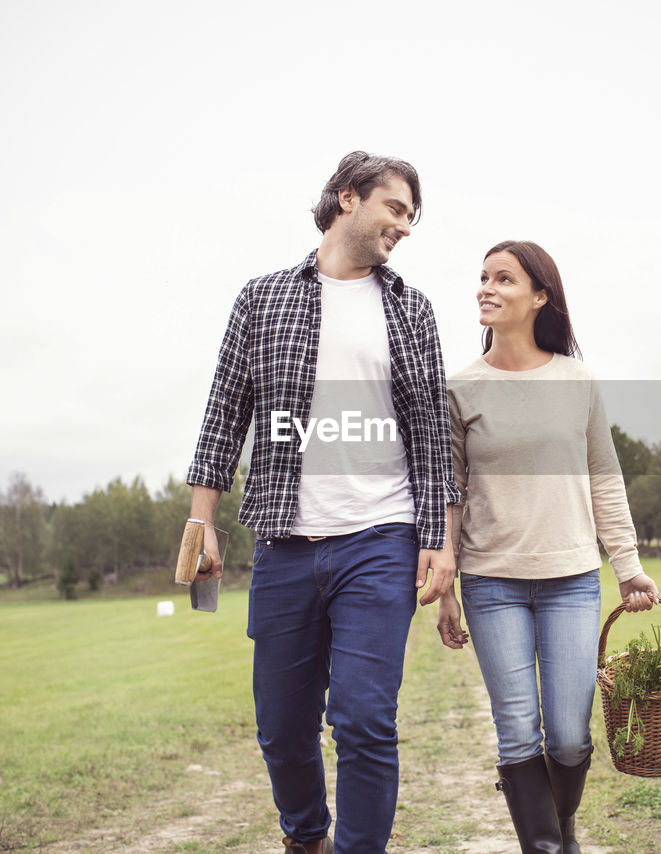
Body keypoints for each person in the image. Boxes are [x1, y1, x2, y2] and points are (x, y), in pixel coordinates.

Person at [186, 151, 459, 854]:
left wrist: (440, 538)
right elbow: (224, 412)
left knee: (365, 719)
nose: (404, 225)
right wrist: (202, 519)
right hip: (285, 544)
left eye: (411, 216)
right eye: (395, 208)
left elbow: (431, 432)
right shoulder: (261, 298)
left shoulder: (410, 309)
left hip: (381, 538)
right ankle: (305, 838)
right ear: (348, 198)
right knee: (281, 727)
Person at [436, 240, 660, 854]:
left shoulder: (576, 380)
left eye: (503, 279)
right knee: (516, 732)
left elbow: (603, 476)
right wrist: (445, 588)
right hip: (491, 581)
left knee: (567, 737)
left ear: (539, 296)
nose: (486, 287)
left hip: (571, 579)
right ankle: (545, 846)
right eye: (483, 277)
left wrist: (629, 567)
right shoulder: (459, 387)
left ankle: (559, 825)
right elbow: (448, 492)